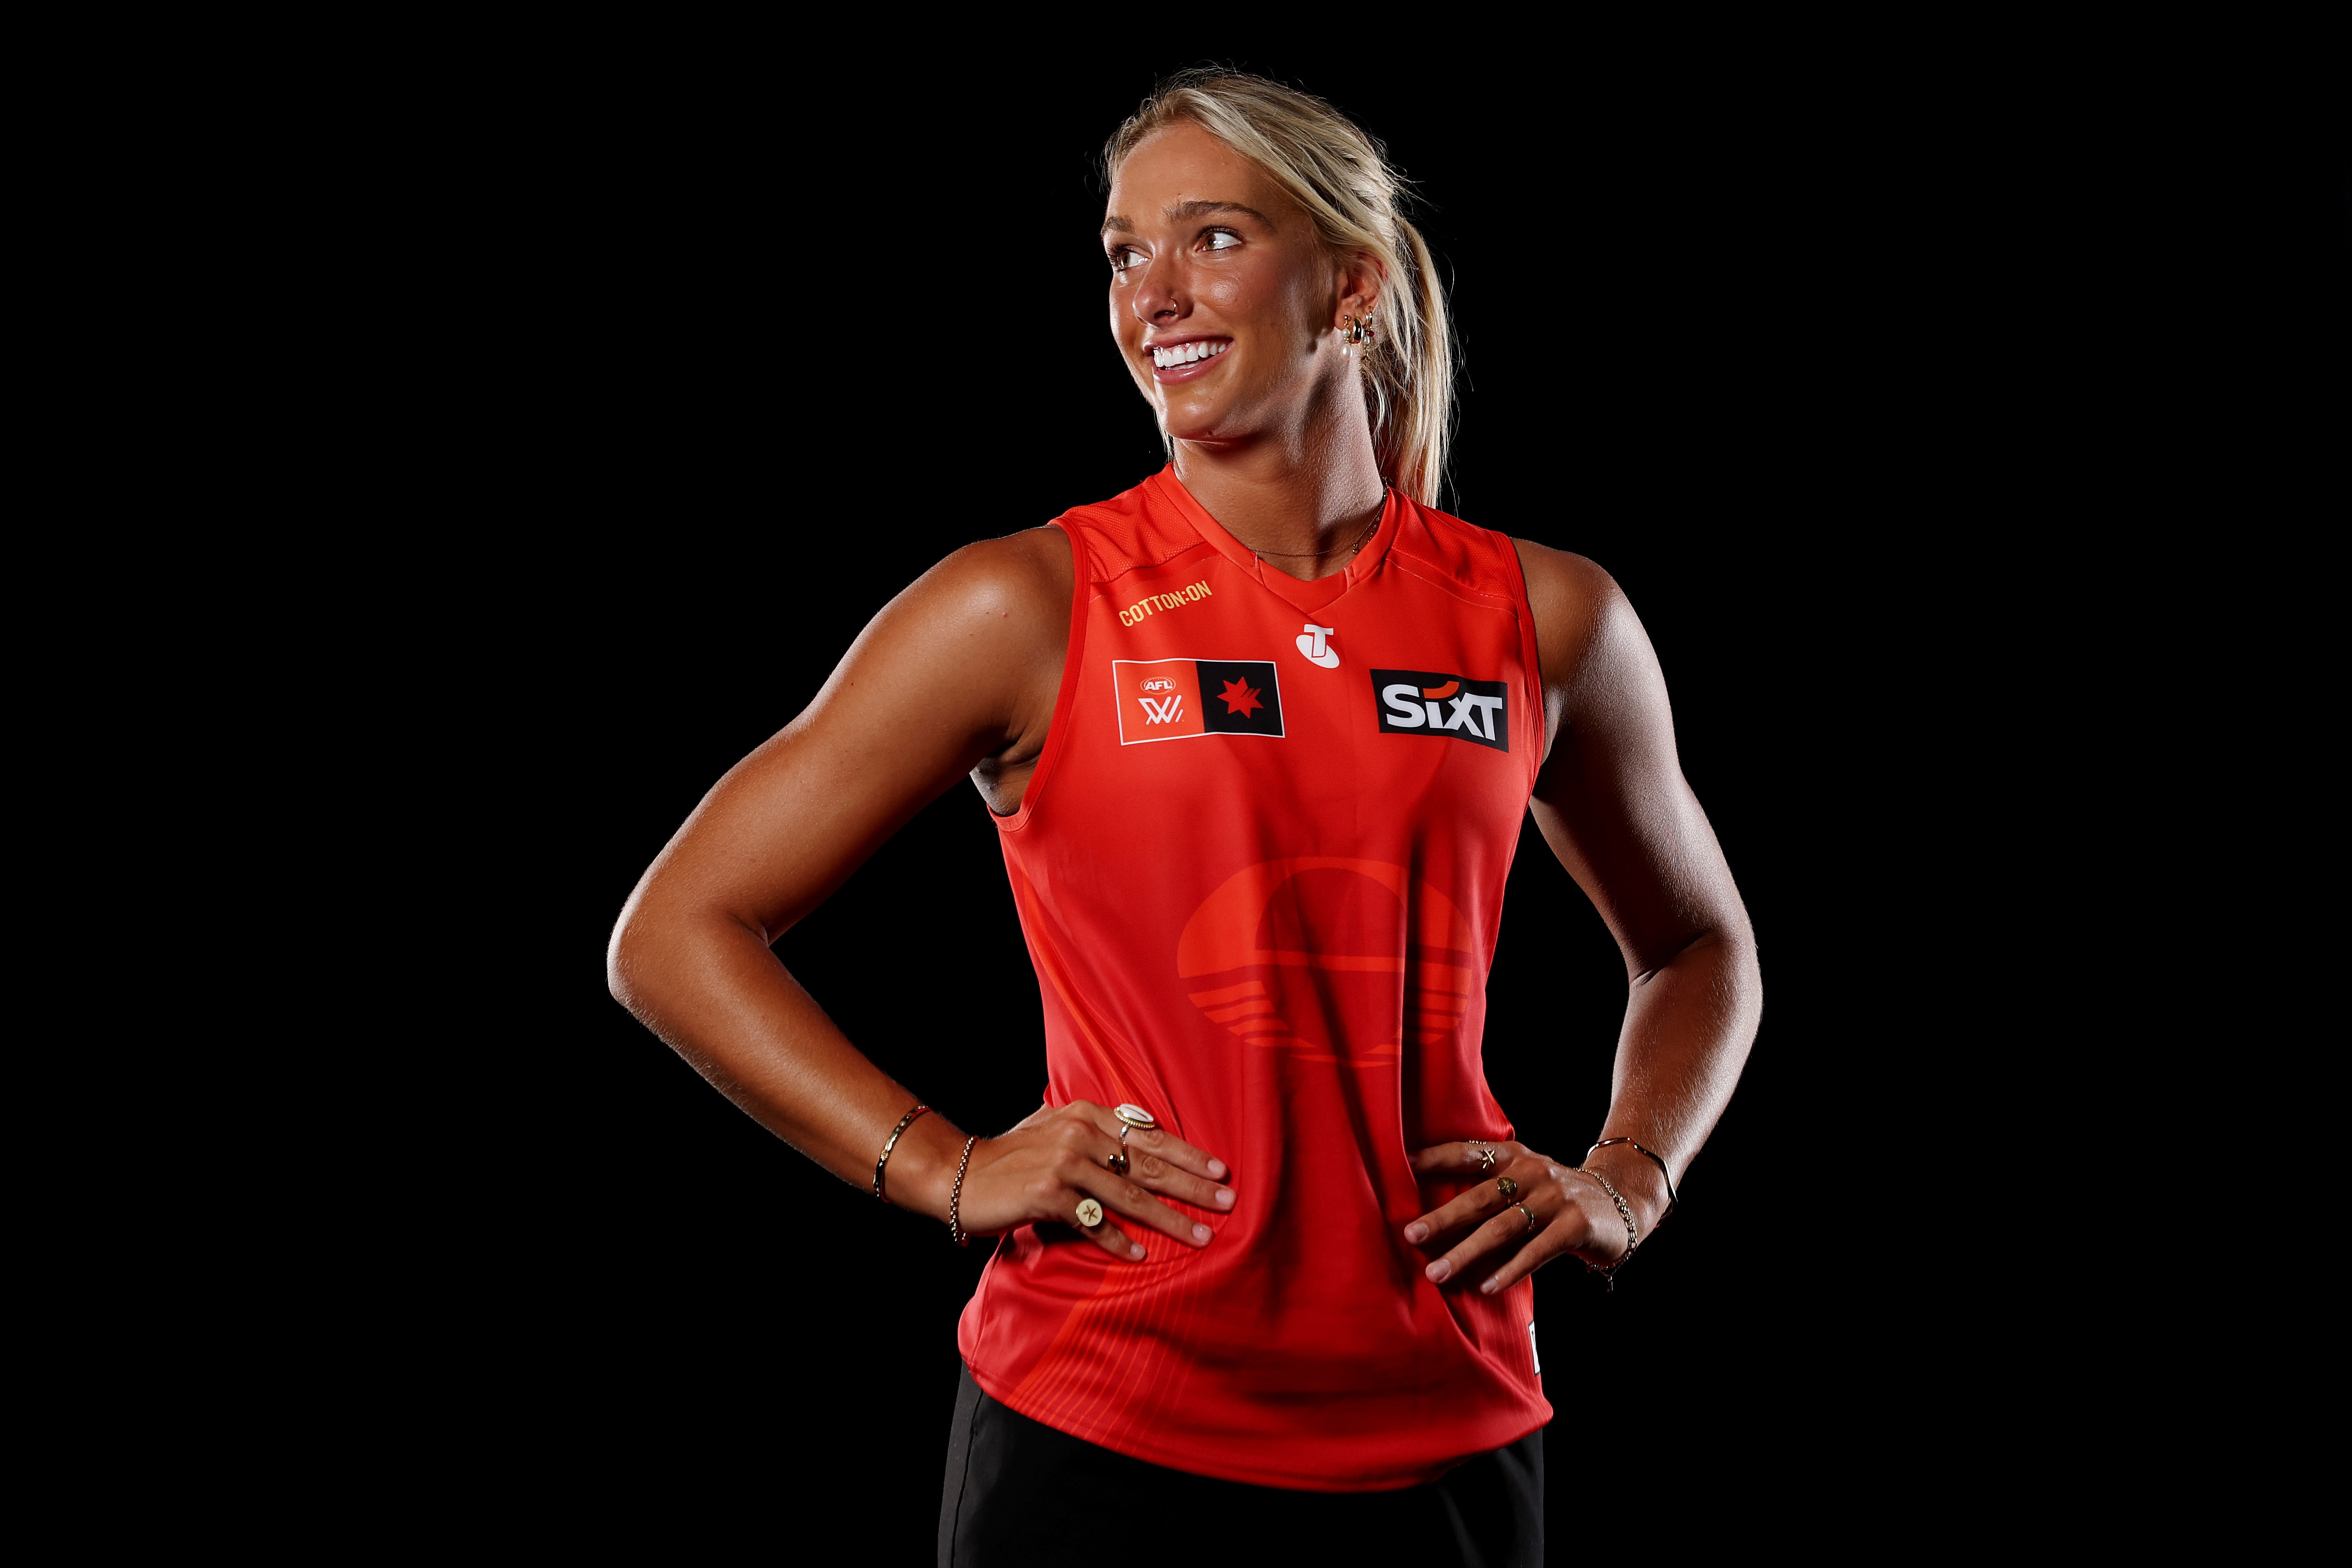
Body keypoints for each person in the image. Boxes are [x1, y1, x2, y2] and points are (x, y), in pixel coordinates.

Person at [608, 69, 1760, 1568]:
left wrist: (1629, 1180)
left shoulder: (1543, 615)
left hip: (1451, 1420)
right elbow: (676, 933)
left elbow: (1697, 946)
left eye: (1213, 237)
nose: (1152, 293)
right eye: (1122, 252)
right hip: (1101, 1424)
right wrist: (947, 1167)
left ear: (1350, 284)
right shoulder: (1027, 602)